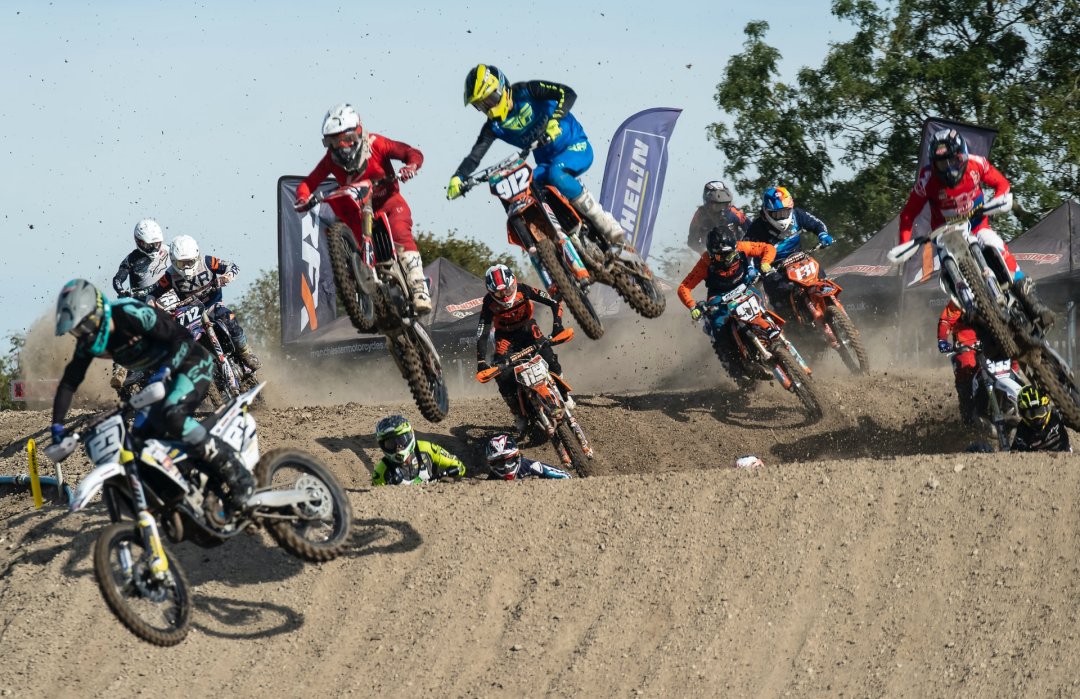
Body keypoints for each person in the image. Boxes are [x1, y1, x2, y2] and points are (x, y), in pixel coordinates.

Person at [50, 279, 254, 516]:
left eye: (85, 326)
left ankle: (237, 473)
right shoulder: (89, 345)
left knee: (172, 415)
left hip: (192, 363)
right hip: (162, 379)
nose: (83, 335)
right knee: (139, 444)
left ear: (97, 310)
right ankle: (184, 490)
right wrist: (57, 426)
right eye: (77, 331)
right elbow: (68, 383)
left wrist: (164, 372)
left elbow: (181, 339)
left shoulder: (130, 312)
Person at [447, 64, 626, 249]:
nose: (489, 109)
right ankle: (561, 243)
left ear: (501, 89)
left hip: (574, 145)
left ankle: (604, 222)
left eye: (489, 100)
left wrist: (555, 119)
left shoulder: (526, 91)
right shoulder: (493, 127)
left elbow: (567, 93)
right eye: (481, 106)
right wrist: (458, 177)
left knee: (557, 174)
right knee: (526, 190)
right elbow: (475, 156)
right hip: (547, 163)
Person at [898, 128, 1053, 326]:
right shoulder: (926, 179)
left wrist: (996, 203)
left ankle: (1032, 300)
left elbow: (1002, 184)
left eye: (952, 161)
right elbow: (908, 214)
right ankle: (971, 312)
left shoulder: (977, 164)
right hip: (944, 233)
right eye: (942, 163)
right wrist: (905, 245)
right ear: (934, 164)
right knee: (945, 264)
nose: (949, 169)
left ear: (961, 155)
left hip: (977, 224)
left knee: (994, 243)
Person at [293, 103, 431, 314]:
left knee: (400, 232)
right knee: (337, 232)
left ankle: (418, 287)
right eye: (334, 142)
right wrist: (303, 197)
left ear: (358, 132)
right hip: (358, 210)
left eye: (346, 140)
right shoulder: (331, 160)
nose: (342, 147)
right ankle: (359, 288)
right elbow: (308, 183)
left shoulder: (377, 144)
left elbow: (409, 152)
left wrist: (410, 166)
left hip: (389, 203)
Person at [476, 264, 570, 436]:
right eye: (499, 293)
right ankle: (518, 414)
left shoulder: (524, 289)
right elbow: (482, 332)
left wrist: (558, 325)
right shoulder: (488, 303)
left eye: (508, 289)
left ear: (514, 282)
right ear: (491, 293)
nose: (505, 295)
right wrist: (481, 361)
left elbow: (553, 301)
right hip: (505, 337)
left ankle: (564, 394)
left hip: (527, 329)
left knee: (547, 353)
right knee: (501, 374)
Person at [148, 235, 260, 373]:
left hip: (213, 305)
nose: (186, 267)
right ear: (173, 261)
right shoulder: (170, 275)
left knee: (229, 319)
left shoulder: (207, 262)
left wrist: (227, 276)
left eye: (189, 262)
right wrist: (152, 305)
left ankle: (245, 351)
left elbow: (232, 266)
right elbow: (153, 292)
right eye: (181, 264)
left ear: (196, 256)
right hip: (191, 313)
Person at [678, 225, 777, 381]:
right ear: (711, 255)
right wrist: (692, 306)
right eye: (719, 257)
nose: (725, 259)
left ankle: (775, 335)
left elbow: (768, 248)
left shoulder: (742, 247)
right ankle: (736, 369)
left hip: (744, 287)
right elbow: (684, 287)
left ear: (734, 248)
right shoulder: (705, 262)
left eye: (729, 255)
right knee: (717, 328)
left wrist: (765, 263)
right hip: (719, 297)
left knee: (762, 308)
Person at [745, 186, 833, 317]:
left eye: (786, 212)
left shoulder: (797, 215)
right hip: (773, 268)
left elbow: (817, 224)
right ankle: (791, 324)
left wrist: (823, 234)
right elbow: (746, 250)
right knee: (782, 291)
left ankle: (831, 303)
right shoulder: (757, 228)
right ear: (767, 212)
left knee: (820, 275)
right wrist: (751, 268)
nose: (782, 217)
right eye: (777, 214)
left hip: (799, 258)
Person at [109, 218, 171, 390]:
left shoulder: (170, 251)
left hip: (172, 296)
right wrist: (122, 290)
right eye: (149, 245)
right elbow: (118, 278)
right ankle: (120, 371)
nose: (154, 248)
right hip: (142, 301)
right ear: (139, 242)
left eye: (156, 244)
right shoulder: (131, 259)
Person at [371, 415, 467, 486]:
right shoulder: (381, 472)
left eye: (401, 440)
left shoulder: (426, 448)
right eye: (390, 444)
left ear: (410, 435)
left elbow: (460, 467)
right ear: (382, 446)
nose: (398, 447)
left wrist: (445, 475)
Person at [687, 180, 749, 252]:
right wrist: (704, 254)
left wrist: (743, 247)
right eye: (718, 206)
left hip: (737, 251)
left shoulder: (734, 213)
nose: (722, 210)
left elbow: (752, 229)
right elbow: (692, 241)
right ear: (708, 204)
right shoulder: (700, 215)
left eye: (725, 205)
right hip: (712, 253)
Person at [1012, 385, 1072, 452]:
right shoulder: (1022, 430)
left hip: (1066, 455)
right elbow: (1016, 454)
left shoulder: (1056, 415)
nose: (1037, 417)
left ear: (1046, 407)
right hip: (1039, 462)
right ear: (1022, 413)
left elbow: (1075, 422)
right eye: (1031, 413)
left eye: (1040, 411)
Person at [485, 433, 571, 480]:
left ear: (517, 457)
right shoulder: (490, 482)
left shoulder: (531, 466)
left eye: (509, 460)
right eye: (500, 463)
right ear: (491, 464)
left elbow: (565, 476)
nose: (506, 466)